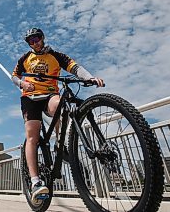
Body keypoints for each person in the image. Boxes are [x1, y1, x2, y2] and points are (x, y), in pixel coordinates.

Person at [11, 27, 104, 203]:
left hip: (50, 94)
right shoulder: (24, 58)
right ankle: (35, 182)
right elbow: (14, 76)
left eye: (36, 39)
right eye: (30, 41)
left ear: (42, 38)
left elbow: (74, 67)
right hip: (30, 98)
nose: (34, 43)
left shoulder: (56, 55)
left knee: (61, 107)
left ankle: (59, 144)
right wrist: (22, 84)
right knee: (32, 136)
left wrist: (90, 77)